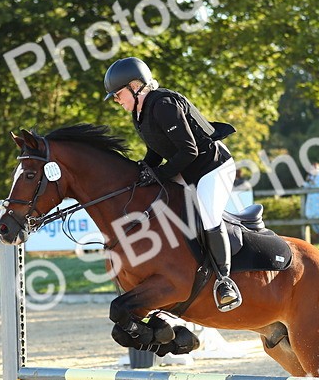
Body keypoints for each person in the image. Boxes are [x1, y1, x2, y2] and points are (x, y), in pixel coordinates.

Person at [103, 57, 241, 312]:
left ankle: (224, 281)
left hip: (213, 168)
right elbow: (157, 150)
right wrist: (143, 171)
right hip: (187, 169)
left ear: (135, 86)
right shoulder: (139, 112)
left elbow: (188, 150)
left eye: (118, 94)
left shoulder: (164, 104)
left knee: (208, 216)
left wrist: (161, 174)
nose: (116, 99)